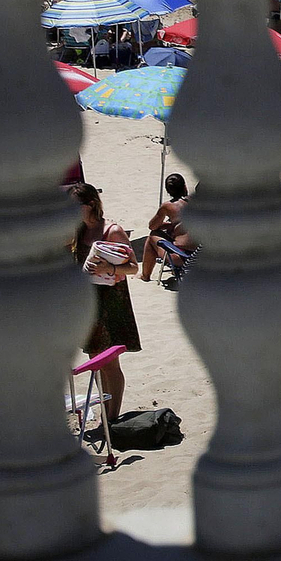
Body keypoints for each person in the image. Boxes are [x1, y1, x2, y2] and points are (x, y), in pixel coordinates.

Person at [69, 183, 140, 423]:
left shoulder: (112, 231)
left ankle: (112, 418)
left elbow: (133, 267)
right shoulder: (78, 230)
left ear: (90, 205)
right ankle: (106, 415)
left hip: (111, 304)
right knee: (94, 362)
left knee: (109, 363)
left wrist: (109, 267)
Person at [140, 173, 197, 283]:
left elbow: (152, 226)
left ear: (168, 191)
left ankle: (145, 276)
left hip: (184, 258)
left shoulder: (168, 206)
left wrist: (168, 224)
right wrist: (172, 224)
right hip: (204, 255)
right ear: (184, 187)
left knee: (152, 236)